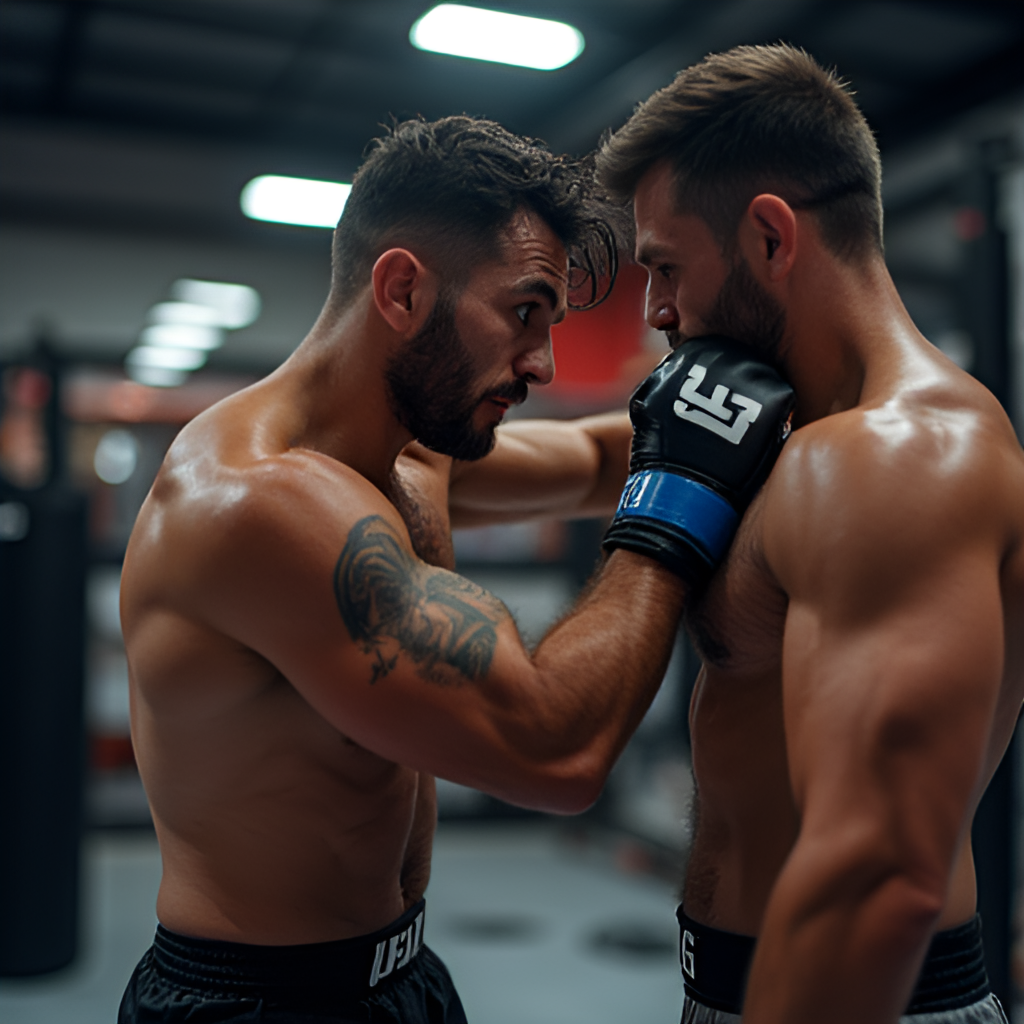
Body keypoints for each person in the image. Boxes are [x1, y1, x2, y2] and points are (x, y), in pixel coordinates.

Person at [117, 116, 794, 1023]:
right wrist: (675, 509)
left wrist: (757, 358)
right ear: (401, 289)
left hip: (404, 977)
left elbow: (606, 458)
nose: (543, 364)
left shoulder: (410, 455)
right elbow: (557, 750)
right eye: (522, 314)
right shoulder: (255, 505)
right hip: (260, 1002)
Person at [594, 43, 1024, 1024]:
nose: (656, 309)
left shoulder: (894, 457)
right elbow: (576, 460)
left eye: (665, 267)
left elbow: (877, 880)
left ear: (769, 238)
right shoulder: (787, 431)